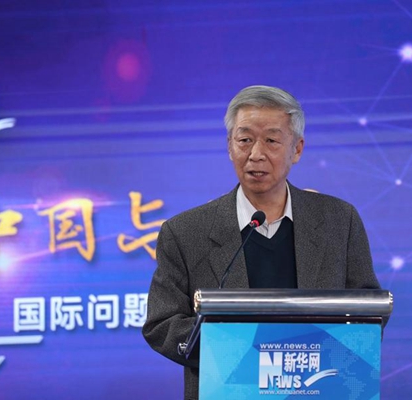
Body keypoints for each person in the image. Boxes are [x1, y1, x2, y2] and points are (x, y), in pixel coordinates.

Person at [142, 85, 381, 400]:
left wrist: (303, 353)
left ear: (297, 149)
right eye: (245, 140)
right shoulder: (186, 232)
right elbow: (162, 323)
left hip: (320, 388)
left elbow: (368, 311)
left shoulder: (339, 221)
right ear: (229, 146)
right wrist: (246, 353)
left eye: (271, 140)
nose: (256, 154)